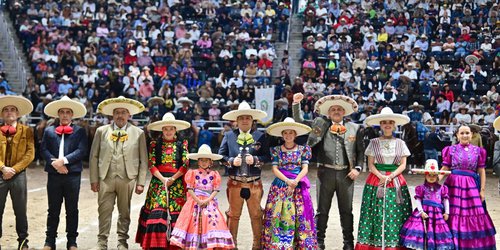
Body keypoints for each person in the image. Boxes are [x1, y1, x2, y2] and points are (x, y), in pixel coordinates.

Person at [292, 93, 364, 250]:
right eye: (333, 109)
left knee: (347, 211)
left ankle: (348, 243)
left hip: (347, 175)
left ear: (344, 112)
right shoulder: (320, 124)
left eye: (339, 109)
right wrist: (296, 104)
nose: (336, 111)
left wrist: (358, 168)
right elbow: (300, 122)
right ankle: (319, 241)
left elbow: (360, 152)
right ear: (329, 113)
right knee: (322, 210)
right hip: (325, 173)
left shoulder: (355, 128)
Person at [89, 96, 148, 250]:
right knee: (104, 211)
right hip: (105, 178)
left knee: (125, 212)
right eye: (117, 112)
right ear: (112, 115)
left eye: (123, 112)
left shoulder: (138, 133)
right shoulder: (101, 131)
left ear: (129, 115)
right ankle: (102, 242)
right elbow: (93, 156)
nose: (120, 115)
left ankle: (122, 241)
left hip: (127, 178)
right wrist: (94, 179)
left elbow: (144, 159)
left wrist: (141, 182)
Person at [355, 107, 412, 250]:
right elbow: (370, 164)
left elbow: (403, 164)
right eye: (384, 122)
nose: (387, 125)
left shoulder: (400, 143)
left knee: (396, 213)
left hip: (396, 181)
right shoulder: (373, 142)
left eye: (390, 122)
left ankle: (393, 245)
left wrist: (391, 176)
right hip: (376, 180)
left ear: (394, 125)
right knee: (375, 211)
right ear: (380, 125)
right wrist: (381, 176)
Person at [218, 101, 269, 250]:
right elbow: (221, 157)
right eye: (242, 118)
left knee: (256, 215)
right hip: (235, 182)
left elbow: (267, 156)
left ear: (252, 120)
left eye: (248, 117)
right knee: (233, 215)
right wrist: (231, 162)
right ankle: (231, 245)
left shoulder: (260, 136)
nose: (245, 120)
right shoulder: (229, 136)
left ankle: (257, 246)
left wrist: (256, 160)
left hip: (254, 182)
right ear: (237, 120)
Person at [135, 113, 191, 249]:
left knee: (175, 213)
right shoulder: (154, 144)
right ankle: (157, 246)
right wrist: (163, 179)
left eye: (171, 129)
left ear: (175, 129)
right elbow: (151, 164)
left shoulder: (182, 144)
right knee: (158, 212)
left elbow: (185, 164)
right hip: (158, 182)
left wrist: (172, 179)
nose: (168, 131)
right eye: (165, 129)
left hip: (176, 183)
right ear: (162, 130)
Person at [261, 117, 317, 249]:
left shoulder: (304, 149)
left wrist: (295, 182)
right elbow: (274, 169)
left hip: (298, 184)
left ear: (295, 134)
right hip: (280, 185)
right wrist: (287, 181)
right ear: (282, 135)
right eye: (285, 133)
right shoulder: (275, 150)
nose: (288, 135)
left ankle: (300, 244)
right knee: (279, 214)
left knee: (299, 214)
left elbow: (305, 168)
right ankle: (280, 245)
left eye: (290, 132)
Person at [40, 96, 88, 250]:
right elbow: (44, 150)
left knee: (72, 209)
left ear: (72, 115)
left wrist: (64, 161)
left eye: (68, 112)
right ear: (58, 114)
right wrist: (55, 163)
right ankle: (49, 241)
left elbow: (82, 151)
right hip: (54, 174)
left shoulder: (80, 131)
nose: (65, 115)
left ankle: (72, 241)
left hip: (72, 175)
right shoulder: (48, 131)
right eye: (62, 112)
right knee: (53, 208)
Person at [440, 124, 496, 249]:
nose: (465, 135)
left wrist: (482, 190)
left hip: (471, 188)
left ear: (472, 135)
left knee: (475, 214)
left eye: (467, 133)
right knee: (451, 213)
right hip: (453, 186)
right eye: (462, 133)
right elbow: (445, 168)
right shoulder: (450, 150)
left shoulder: (479, 151)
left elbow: (481, 171)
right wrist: (434, 181)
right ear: (457, 135)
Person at [170, 144, 235, 249]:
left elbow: (215, 190)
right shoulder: (192, 173)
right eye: (201, 160)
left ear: (211, 162)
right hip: (194, 202)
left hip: (209, 202)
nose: (204, 162)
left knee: (211, 223)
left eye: (206, 160)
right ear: (198, 161)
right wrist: (197, 200)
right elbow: (190, 189)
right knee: (193, 222)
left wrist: (208, 200)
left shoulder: (214, 174)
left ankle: (208, 244)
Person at [0, 95, 34, 250]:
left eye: (12, 109)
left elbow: (30, 154)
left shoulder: (27, 131)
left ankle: (23, 241)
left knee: (20, 210)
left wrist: (14, 169)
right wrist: (2, 168)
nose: (9, 112)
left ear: (18, 113)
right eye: (6, 110)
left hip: (18, 174)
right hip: (0, 173)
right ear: (2, 114)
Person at [400, 159, 454, 250]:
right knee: (422, 229)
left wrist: (447, 212)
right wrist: (421, 211)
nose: (431, 177)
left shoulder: (442, 189)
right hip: (424, 212)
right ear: (425, 175)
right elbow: (418, 200)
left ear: (437, 176)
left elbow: (445, 201)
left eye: (434, 175)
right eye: (429, 174)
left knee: (436, 230)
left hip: (437, 214)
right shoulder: (421, 188)